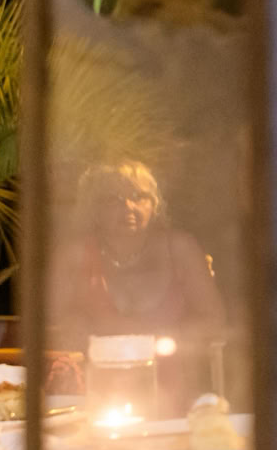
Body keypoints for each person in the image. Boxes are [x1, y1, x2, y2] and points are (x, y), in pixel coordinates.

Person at [52, 160, 227, 408]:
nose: (128, 207)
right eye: (114, 199)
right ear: (95, 209)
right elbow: (49, 328)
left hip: (174, 400)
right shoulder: (74, 257)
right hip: (94, 401)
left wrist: (165, 342)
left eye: (140, 196)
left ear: (154, 205)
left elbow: (214, 320)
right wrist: (74, 329)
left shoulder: (180, 249)